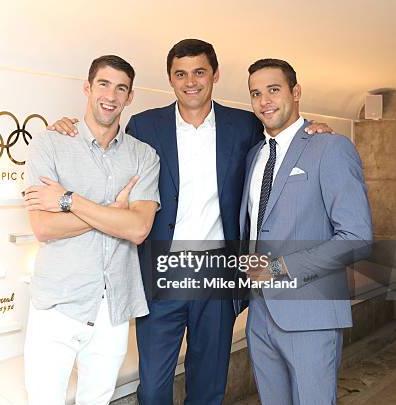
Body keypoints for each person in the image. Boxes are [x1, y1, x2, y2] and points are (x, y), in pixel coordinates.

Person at [49, 39, 334, 405]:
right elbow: (106, 149)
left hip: (218, 271)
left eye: (199, 72)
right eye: (180, 74)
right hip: (162, 271)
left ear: (214, 74)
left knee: (208, 384)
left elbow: (283, 138)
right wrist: (67, 128)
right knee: (153, 387)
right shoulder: (145, 125)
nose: (191, 82)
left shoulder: (244, 124)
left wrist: (314, 130)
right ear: (170, 79)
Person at [22, 55, 161, 405]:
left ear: (130, 97)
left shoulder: (144, 156)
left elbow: (139, 227)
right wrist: (114, 212)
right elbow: (43, 227)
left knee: (96, 399)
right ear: (87, 87)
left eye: (121, 88)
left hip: (112, 306)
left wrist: (69, 200)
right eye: (103, 84)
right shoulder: (49, 144)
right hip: (57, 302)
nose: (111, 95)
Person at [240, 58, 372, 404]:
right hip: (259, 314)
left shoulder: (330, 147)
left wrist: (279, 268)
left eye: (274, 89)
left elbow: (356, 238)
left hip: (310, 312)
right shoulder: (254, 155)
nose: (265, 100)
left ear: (295, 92)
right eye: (256, 93)